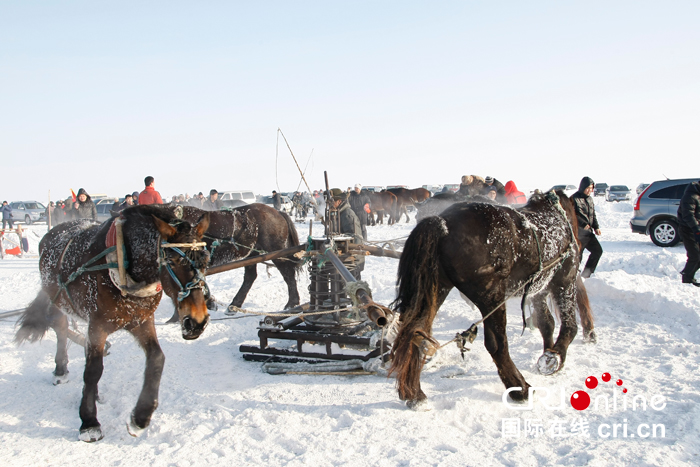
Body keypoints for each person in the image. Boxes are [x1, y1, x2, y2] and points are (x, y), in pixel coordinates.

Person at [329, 188, 364, 279]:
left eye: (332, 202)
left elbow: (353, 238)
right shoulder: (338, 213)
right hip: (343, 259)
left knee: (353, 284)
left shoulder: (347, 214)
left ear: (339, 201)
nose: (329, 205)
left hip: (352, 260)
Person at [572, 177, 602, 278]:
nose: (590, 190)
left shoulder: (589, 199)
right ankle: (573, 276)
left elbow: (592, 215)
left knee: (597, 251)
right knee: (577, 256)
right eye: (588, 188)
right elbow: (572, 215)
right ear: (583, 187)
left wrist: (596, 227)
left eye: (592, 188)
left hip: (588, 233)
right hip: (578, 234)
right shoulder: (574, 199)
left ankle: (587, 274)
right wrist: (583, 224)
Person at [677, 180, 700, 286]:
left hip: (695, 229)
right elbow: (688, 215)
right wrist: (696, 230)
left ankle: (689, 275)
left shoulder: (697, 195)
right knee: (695, 255)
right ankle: (687, 279)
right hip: (688, 230)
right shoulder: (690, 196)